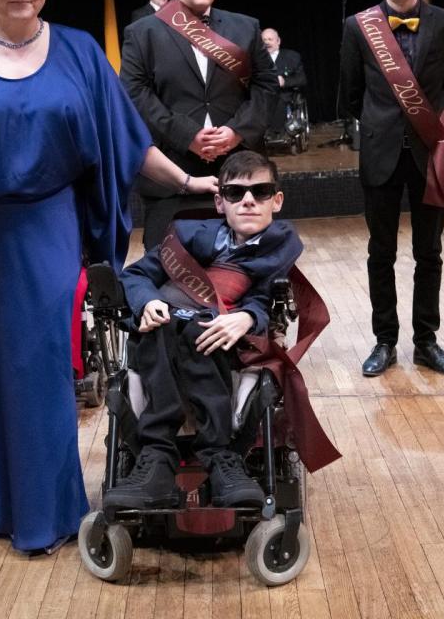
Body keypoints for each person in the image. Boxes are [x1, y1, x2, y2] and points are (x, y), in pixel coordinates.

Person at [0, 0, 215, 555]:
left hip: (50, 232)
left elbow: (128, 143)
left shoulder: (78, 50)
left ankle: (47, 512)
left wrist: (190, 180)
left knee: (45, 371)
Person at [105, 150, 301, 509]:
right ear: (219, 202)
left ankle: (216, 455)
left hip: (222, 338)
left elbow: (264, 298)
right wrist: (148, 303)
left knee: (198, 331)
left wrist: (247, 317)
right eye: (235, 193)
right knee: (163, 326)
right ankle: (162, 458)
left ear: (276, 201)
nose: (247, 201)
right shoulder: (187, 234)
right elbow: (136, 276)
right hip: (163, 328)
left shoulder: (281, 245)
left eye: (260, 192)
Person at [340, 0, 444, 378]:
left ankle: (426, 341)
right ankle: (384, 341)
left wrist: (427, 131)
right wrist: (383, 126)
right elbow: (351, 94)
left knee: (429, 252)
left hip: (430, 154)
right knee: (381, 253)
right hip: (381, 155)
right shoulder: (358, 26)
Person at [121, 0, 278, 250]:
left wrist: (236, 131)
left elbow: (267, 86)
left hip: (240, 170)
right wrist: (187, 135)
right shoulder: (142, 32)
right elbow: (134, 93)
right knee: (170, 270)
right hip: (172, 172)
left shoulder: (246, 27)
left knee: (246, 269)